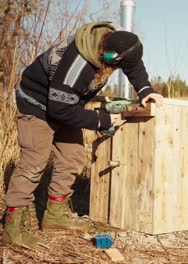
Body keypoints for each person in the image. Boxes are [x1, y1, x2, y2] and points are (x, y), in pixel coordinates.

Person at [2, 21, 164, 250]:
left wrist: (146, 90)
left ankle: (55, 215)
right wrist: (100, 121)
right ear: (109, 57)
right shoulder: (77, 65)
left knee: (73, 156)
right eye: (118, 66)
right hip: (36, 104)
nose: (121, 70)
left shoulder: (115, 45)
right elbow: (58, 109)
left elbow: (133, 65)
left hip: (65, 102)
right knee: (34, 163)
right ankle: (12, 226)